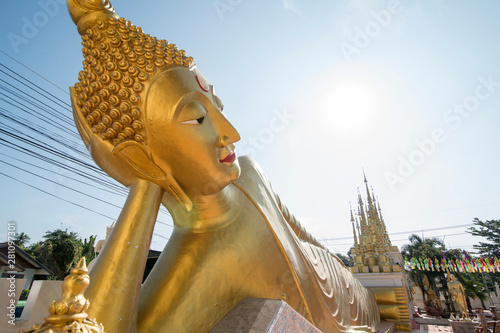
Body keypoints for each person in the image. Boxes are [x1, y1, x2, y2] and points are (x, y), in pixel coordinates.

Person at [66, 0, 381, 332]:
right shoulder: (197, 268)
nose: (231, 132)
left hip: (344, 289)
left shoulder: (250, 172)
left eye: (217, 106)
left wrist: (352, 275)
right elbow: (96, 325)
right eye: (199, 118)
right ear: (145, 160)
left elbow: (304, 237)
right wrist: (144, 186)